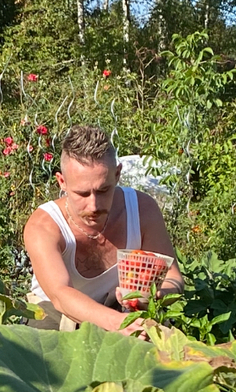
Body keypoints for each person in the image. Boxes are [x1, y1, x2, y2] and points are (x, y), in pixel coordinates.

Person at [24, 125, 184, 335]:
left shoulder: (142, 210)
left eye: (103, 190)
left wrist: (156, 294)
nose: (94, 205)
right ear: (62, 182)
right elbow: (60, 295)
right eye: (82, 194)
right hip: (55, 315)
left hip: (121, 310)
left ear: (117, 174)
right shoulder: (44, 225)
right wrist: (117, 323)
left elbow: (173, 278)